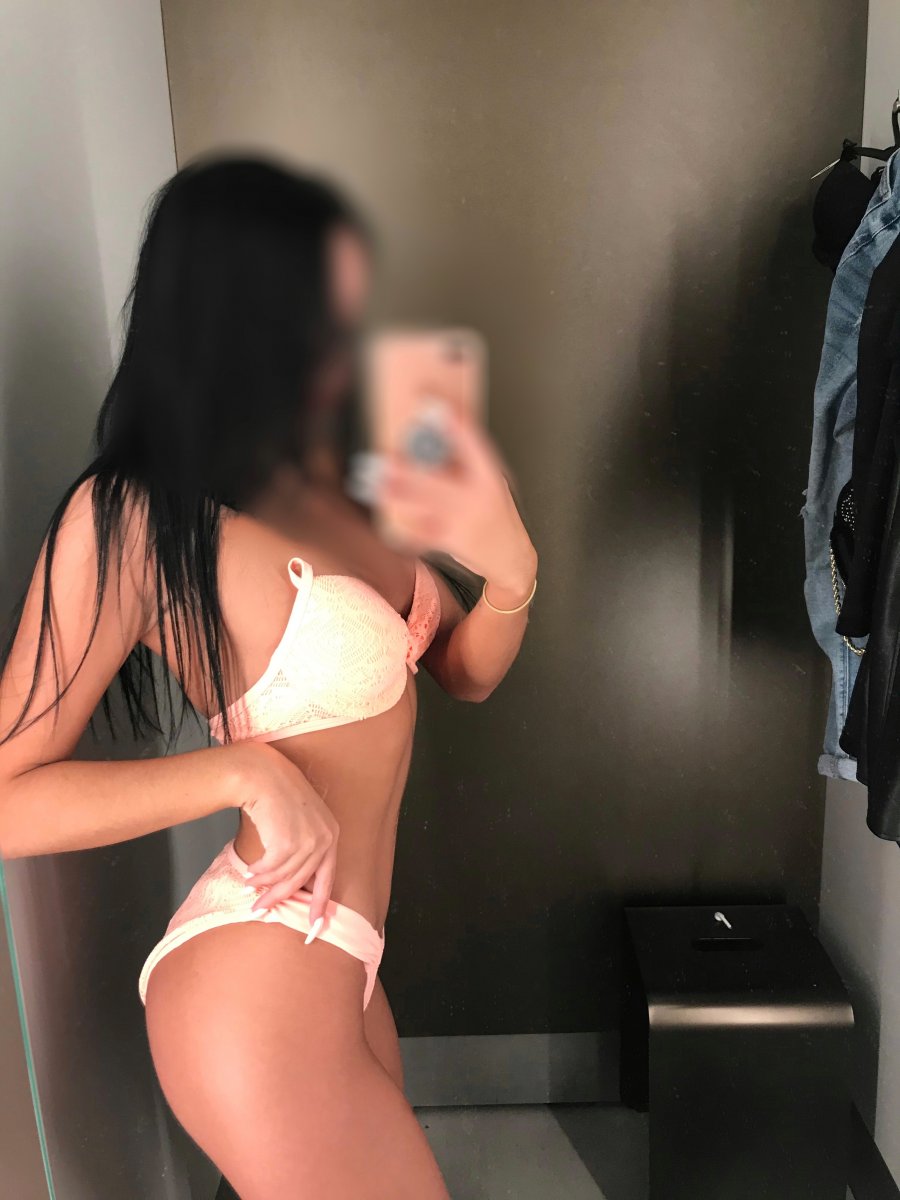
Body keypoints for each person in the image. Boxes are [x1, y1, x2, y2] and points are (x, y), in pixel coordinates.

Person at [0, 150, 537, 1200]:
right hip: (256, 975)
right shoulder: (135, 520)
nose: (342, 347)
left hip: (346, 962)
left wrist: (513, 571)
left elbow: (463, 673)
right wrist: (241, 773)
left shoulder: (343, 488)